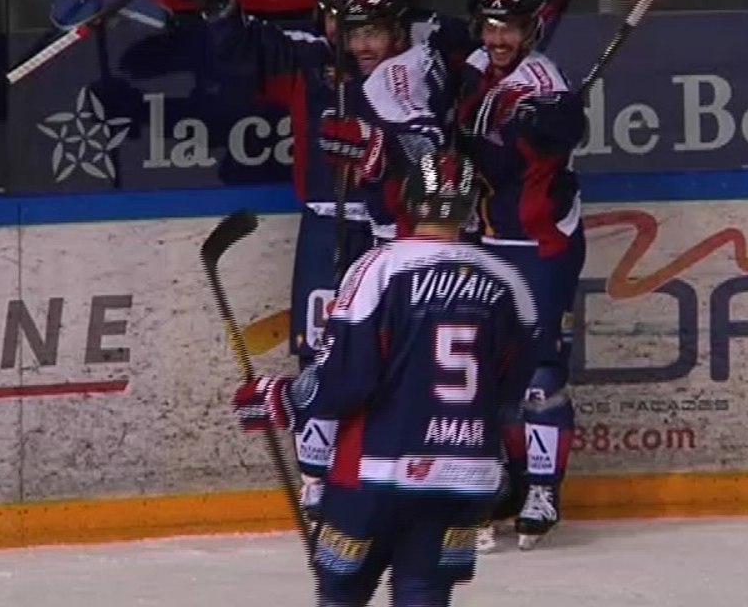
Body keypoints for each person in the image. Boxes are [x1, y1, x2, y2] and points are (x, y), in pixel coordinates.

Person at [178, 0, 454, 520]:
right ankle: (318, 477)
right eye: (348, 28)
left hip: (389, 235)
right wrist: (217, 1)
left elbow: (430, 149)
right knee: (320, 350)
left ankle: (400, 469)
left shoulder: (416, 69)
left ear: (398, 30)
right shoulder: (312, 58)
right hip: (326, 226)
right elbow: (243, 48)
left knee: (395, 353)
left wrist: (381, 146)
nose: (358, 43)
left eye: (370, 30)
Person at [230, 150, 540, 607]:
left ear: (409, 200)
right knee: (424, 591)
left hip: (378, 471)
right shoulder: (508, 283)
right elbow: (511, 392)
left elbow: (346, 379)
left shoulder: (378, 269)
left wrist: (282, 398)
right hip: (465, 475)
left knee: (343, 591)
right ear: (472, 205)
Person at [454, 0, 587, 551]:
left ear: (532, 31)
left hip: (541, 244)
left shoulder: (546, 84)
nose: (496, 39)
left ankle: (543, 487)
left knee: (539, 374)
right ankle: (503, 482)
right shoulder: (479, 67)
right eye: (490, 26)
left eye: (509, 28)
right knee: (487, 371)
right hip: (485, 239)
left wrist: (534, 123)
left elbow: (562, 132)